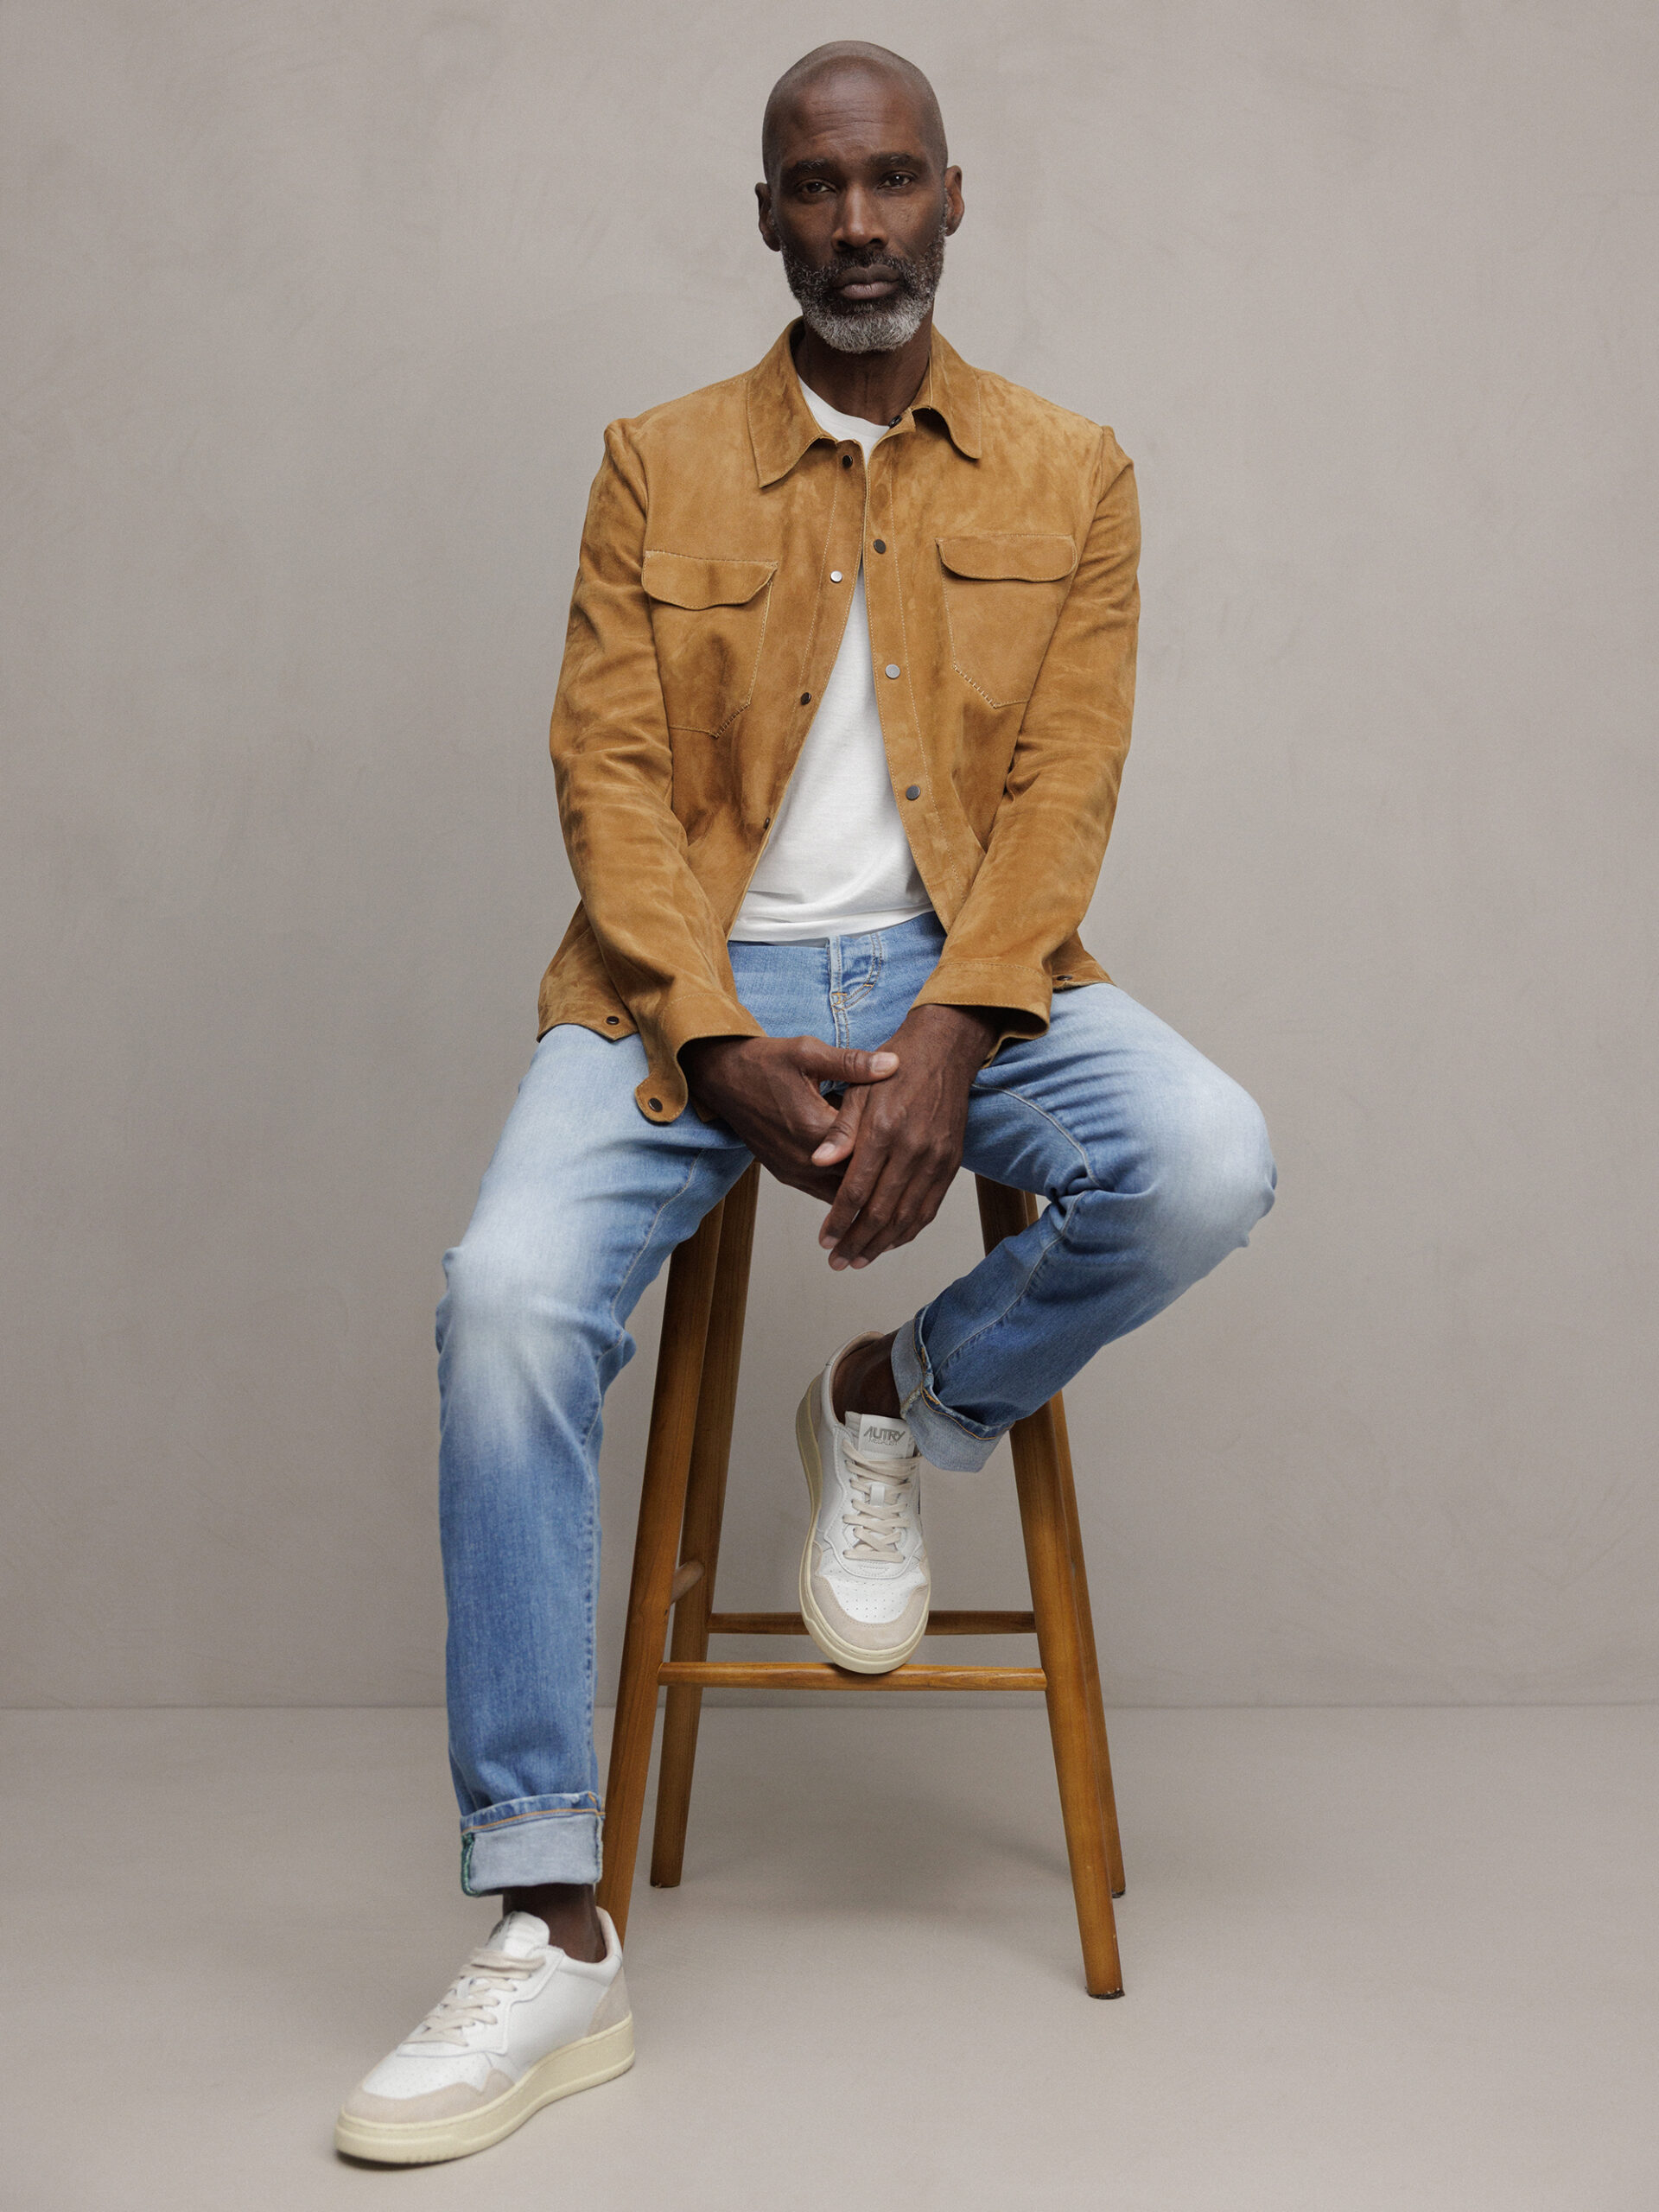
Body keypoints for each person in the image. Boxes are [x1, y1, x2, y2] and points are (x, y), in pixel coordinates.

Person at [335, 39, 1275, 2166]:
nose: (858, 225)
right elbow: (605, 776)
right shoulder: (654, 461)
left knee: (1209, 1157)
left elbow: (1065, 792)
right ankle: (546, 1917)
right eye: (816, 188)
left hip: (973, 968)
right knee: (505, 1301)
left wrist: (959, 1022)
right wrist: (703, 1034)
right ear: (766, 214)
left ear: (956, 197)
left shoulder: (1075, 471)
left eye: (893, 181)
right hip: (690, 978)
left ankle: (897, 1399)